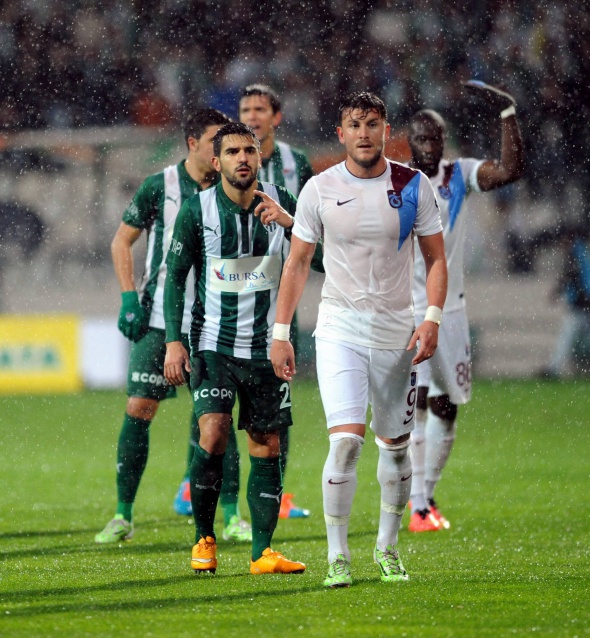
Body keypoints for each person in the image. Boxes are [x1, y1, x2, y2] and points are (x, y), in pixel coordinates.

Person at [270, 92, 447, 588]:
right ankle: (338, 556)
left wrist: (432, 318)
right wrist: (281, 333)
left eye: (372, 123)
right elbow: (298, 262)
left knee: (396, 449)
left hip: (396, 334)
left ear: (387, 131)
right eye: (354, 124)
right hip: (339, 330)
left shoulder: (413, 186)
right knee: (346, 443)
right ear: (341, 133)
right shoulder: (320, 188)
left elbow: (436, 258)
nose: (364, 133)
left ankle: (387, 549)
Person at [95, 108, 251, 545]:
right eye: (215, 142)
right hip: (160, 321)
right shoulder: (158, 186)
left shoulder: (234, 189)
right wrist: (129, 296)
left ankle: (232, 515)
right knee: (139, 409)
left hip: (215, 324)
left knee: (219, 419)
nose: (223, 151)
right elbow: (121, 241)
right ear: (193, 143)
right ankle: (123, 514)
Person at [163, 122, 306, 575]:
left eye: (249, 150)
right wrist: (173, 341)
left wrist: (293, 224)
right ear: (216, 161)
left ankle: (263, 553)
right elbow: (175, 276)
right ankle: (204, 540)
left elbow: (321, 258)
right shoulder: (197, 209)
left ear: (260, 157)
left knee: (267, 443)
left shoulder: (284, 202)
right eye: (231, 152)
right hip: (212, 346)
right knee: (214, 432)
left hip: (266, 347)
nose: (242, 158)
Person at [407, 81, 525, 532]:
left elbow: (510, 170)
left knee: (447, 405)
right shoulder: (395, 181)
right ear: (409, 141)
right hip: (408, 311)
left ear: (444, 140)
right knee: (416, 402)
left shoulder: (459, 175)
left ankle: (426, 496)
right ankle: (416, 505)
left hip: (450, 311)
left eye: (434, 138)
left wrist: (507, 113)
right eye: (420, 138)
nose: (428, 146)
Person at [238, 82, 315, 518]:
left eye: (260, 109)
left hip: (279, 294)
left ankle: (278, 493)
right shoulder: (228, 156)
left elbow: (311, 218)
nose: (252, 115)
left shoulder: (295, 162)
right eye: (246, 109)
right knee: (216, 399)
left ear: (276, 117)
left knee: (278, 401)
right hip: (231, 293)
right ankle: (201, 489)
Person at [541, 224, 590, 378]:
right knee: (569, 337)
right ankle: (553, 368)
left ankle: (553, 368)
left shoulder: (575, 254)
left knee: (566, 337)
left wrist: (556, 292)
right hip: (583, 304)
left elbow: (571, 276)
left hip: (581, 305)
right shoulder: (582, 252)